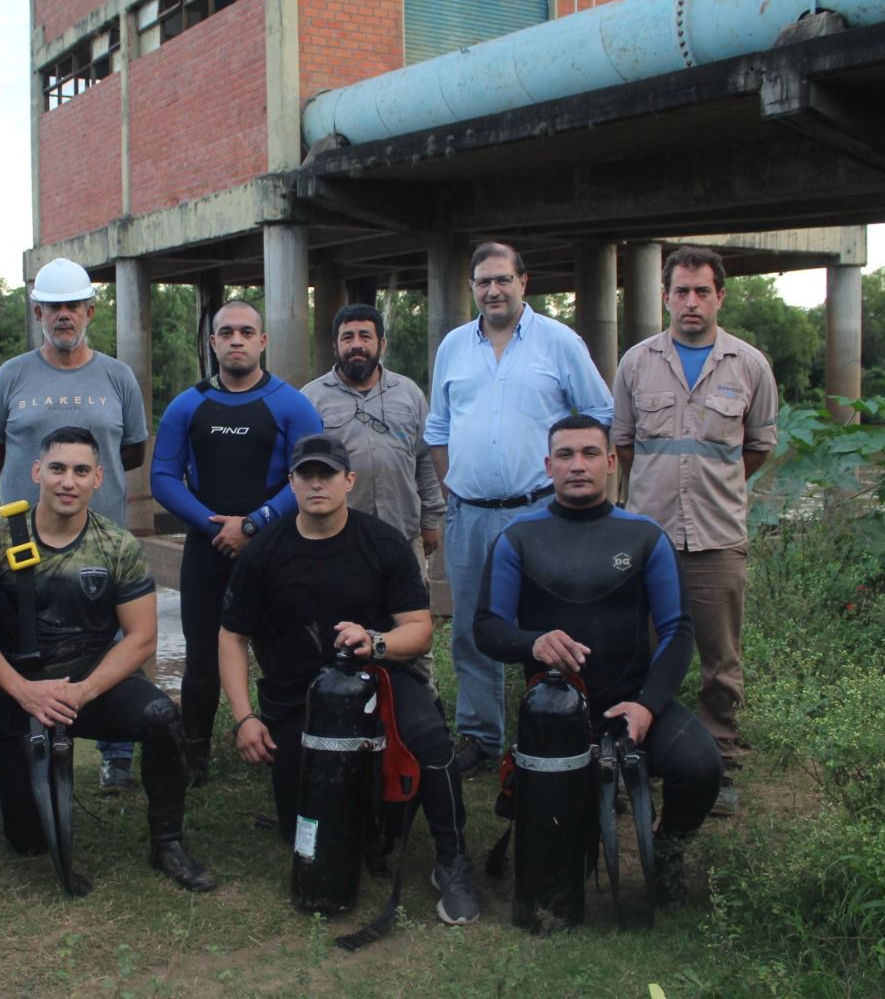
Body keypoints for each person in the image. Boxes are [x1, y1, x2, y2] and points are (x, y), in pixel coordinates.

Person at [219, 433, 480, 925]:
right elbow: (231, 635)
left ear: (349, 480)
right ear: (291, 483)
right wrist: (244, 718)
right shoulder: (264, 552)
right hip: (297, 696)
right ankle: (358, 827)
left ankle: (452, 860)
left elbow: (419, 629)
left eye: (328, 474)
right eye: (307, 475)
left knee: (429, 738)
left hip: (379, 680)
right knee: (302, 827)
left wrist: (376, 642)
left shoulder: (383, 542)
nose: (317, 484)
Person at [473, 414, 722, 900]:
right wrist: (533, 643)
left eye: (590, 454)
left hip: (632, 701)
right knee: (557, 885)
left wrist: (648, 705)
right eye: (565, 455)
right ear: (548, 466)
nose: (577, 465)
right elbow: (486, 628)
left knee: (700, 766)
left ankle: (668, 850)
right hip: (555, 713)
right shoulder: (518, 538)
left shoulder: (645, 536)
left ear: (610, 463)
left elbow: (677, 630)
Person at [0, 427, 215, 892]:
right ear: (36, 471)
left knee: (162, 718)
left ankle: (167, 842)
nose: (68, 481)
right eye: (57, 468)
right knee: (28, 842)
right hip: (18, 689)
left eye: (81, 471)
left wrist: (83, 691)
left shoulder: (118, 546)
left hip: (91, 685)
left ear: (98, 478)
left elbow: (141, 639)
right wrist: (25, 692)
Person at [424, 242, 614, 778]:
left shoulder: (559, 341)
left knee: (552, 622)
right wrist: (454, 489)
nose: (493, 291)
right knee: (470, 628)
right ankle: (481, 737)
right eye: (483, 282)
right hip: (469, 512)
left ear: (523, 282)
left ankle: (558, 727)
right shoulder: (453, 347)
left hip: (540, 512)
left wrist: (579, 485)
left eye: (503, 279)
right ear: (472, 287)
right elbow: (438, 428)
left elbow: (599, 413)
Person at [610, 246, 778, 816]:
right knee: (637, 652)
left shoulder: (749, 365)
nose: (691, 302)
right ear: (665, 296)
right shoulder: (636, 363)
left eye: (702, 291)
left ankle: (719, 763)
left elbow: (758, 448)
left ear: (719, 297)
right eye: (680, 291)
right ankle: (633, 756)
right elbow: (624, 446)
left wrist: (714, 485)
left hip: (717, 537)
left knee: (720, 660)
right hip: (648, 539)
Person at [0, 257, 149, 793]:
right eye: (53, 307)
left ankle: (116, 754)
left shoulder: (118, 377)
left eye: (73, 305)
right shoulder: (12, 376)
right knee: (15, 639)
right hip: (22, 544)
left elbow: (132, 452)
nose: (64, 315)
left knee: (115, 636)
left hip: (100, 541)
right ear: (38, 314)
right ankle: (11, 752)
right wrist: (31, 498)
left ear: (90, 311)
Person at [151, 300, 322, 786]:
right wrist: (215, 527)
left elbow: (310, 476)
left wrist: (255, 524)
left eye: (247, 332)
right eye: (226, 333)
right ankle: (195, 755)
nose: (236, 340)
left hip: (272, 550)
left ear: (263, 341)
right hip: (207, 550)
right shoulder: (187, 405)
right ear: (213, 343)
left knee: (284, 654)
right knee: (201, 659)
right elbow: (162, 476)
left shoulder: (292, 404)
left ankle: (288, 745)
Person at [300, 303, 445, 582]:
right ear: (335, 345)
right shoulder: (310, 399)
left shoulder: (409, 393)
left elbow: (425, 460)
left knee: (410, 608)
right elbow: (300, 472)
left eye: (365, 336)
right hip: (336, 542)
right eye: (347, 337)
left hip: (404, 535)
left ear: (382, 344)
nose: (356, 344)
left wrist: (430, 521)